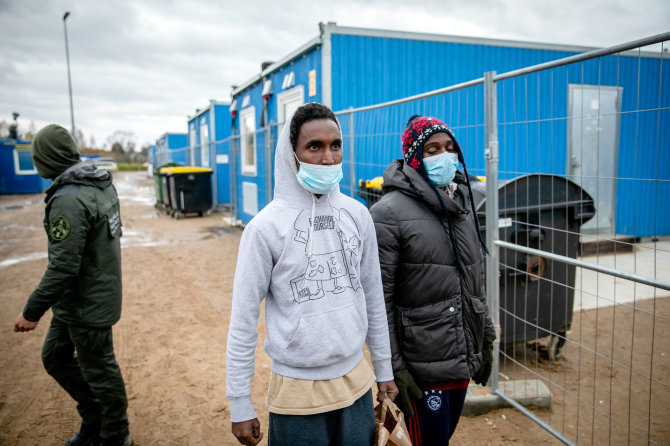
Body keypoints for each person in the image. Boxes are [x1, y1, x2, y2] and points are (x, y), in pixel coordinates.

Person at [226, 103, 398, 446]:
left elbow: (373, 297)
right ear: (292, 154)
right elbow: (243, 320)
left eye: (335, 145)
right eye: (314, 146)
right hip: (297, 391)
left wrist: (383, 370)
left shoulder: (357, 215)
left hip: (356, 382)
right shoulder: (264, 229)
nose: (327, 157)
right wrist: (239, 404)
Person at [370, 115, 496, 445]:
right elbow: (379, 300)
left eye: (450, 147)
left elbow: (475, 278)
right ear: (415, 156)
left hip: (460, 359)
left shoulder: (463, 200)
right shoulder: (388, 213)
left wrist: (487, 337)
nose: (444, 155)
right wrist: (393, 368)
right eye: (433, 148)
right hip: (420, 370)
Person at [13, 124, 132, 446]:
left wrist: (31, 311)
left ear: (48, 158)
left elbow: (64, 267)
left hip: (87, 303)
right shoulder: (95, 183)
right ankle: (93, 417)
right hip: (76, 300)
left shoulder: (70, 197)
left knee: (101, 370)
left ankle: (116, 435)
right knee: (55, 357)